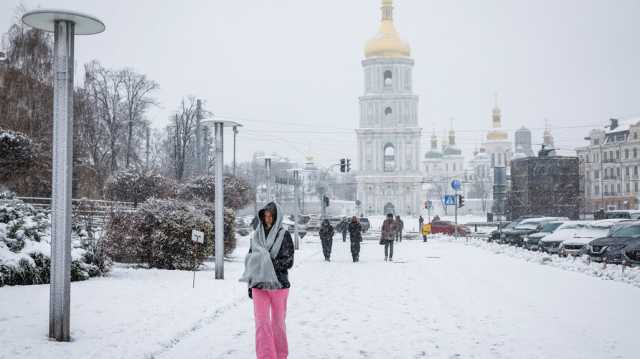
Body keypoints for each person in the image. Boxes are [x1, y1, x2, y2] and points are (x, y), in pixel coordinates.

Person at [240, 202, 294, 359]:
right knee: (262, 324)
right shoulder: (256, 236)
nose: (268, 218)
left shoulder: (283, 235)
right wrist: (250, 285)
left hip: (279, 284)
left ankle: (280, 355)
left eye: (271, 215)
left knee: (277, 324)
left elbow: (289, 261)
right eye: (265, 215)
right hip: (258, 284)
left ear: (277, 217)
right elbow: (251, 261)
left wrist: (268, 262)